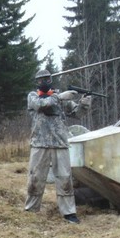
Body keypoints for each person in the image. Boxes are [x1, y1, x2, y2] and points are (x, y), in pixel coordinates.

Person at [25, 69, 92, 224]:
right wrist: (58, 96)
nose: (44, 82)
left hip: (60, 143)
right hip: (39, 143)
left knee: (64, 179)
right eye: (41, 80)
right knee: (35, 178)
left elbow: (77, 113)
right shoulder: (33, 96)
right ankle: (31, 210)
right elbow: (41, 105)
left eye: (47, 79)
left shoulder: (61, 98)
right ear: (37, 82)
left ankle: (69, 213)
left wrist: (84, 103)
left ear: (51, 80)